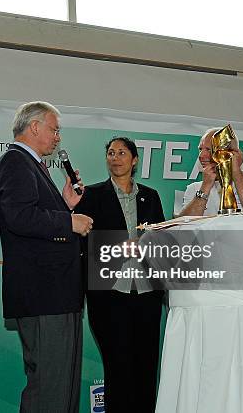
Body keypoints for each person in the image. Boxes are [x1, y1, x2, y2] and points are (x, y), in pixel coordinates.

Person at [0, 101, 92, 413]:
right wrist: (68, 222)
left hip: (54, 294)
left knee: (59, 387)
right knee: (50, 388)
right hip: (44, 295)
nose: (58, 137)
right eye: (54, 129)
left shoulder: (28, 164)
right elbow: (19, 217)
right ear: (35, 127)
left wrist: (64, 205)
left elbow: (32, 217)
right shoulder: (16, 162)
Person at [74, 137, 165, 412]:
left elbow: (161, 239)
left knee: (147, 368)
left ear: (134, 160)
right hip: (108, 295)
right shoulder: (90, 195)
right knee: (119, 368)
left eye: (122, 152)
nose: (115, 158)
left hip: (147, 294)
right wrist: (116, 247)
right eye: (111, 153)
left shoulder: (150, 195)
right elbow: (82, 245)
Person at [181, 127, 243, 216]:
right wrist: (205, 186)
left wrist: (236, 170)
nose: (201, 155)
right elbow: (183, 224)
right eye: (200, 149)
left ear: (231, 153)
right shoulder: (194, 188)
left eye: (208, 149)